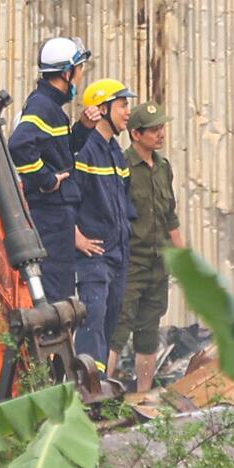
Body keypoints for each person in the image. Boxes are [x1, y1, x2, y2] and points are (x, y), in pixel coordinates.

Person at [8, 37, 100, 306]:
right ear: (66, 72)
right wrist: (45, 180)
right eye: (79, 69)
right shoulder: (42, 106)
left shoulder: (53, 109)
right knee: (56, 296)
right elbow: (19, 145)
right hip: (51, 214)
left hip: (58, 214)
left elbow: (61, 154)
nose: (81, 76)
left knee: (61, 293)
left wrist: (82, 128)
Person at [112, 101, 185, 392]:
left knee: (149, 331)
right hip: (132, 262)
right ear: (136, 134)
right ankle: (99, 392)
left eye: (161, 128)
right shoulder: (123, 166)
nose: (160, 134)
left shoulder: (163, 168)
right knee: (119, 327)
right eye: (153, 130)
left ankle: (143, 394)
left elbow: (171, 216)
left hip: (159, 263)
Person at [72, 79, 137, 369]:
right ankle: (88, 391)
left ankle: (98, 387)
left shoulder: (115, 152)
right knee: (92, 321)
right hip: (94, 257)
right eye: (122, 105)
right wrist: (76, 237)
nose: (127, 112)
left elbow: (123, 204)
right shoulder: (84, 150)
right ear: (102, 108)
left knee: (110, 322)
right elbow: (68, 199)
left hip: (117, 254)